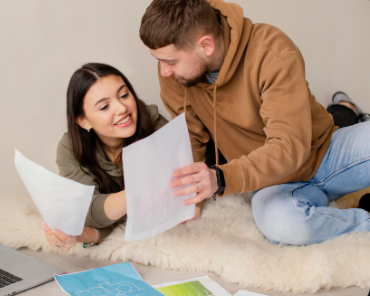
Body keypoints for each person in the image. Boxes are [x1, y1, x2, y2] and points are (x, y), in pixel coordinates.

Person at [139, 0, 370, 245]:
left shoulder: (270, 50)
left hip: (327, 152)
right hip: (271, 182)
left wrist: (221, 178)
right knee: (284, 225)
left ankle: (345, 110)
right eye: (159, 60)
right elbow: (191, 138)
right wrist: (191, 200)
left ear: (205, 45)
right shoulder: (176, 75)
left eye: (170, 61)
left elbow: (289, 147)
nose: (163, 71)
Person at [44, 63, 178, 252]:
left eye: (124, 95)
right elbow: (87, 210)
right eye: (105, 106)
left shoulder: (152, 124)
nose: (122, 108)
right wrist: (76, 235)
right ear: (84, 121)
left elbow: (172, 193)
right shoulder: (70, 148)